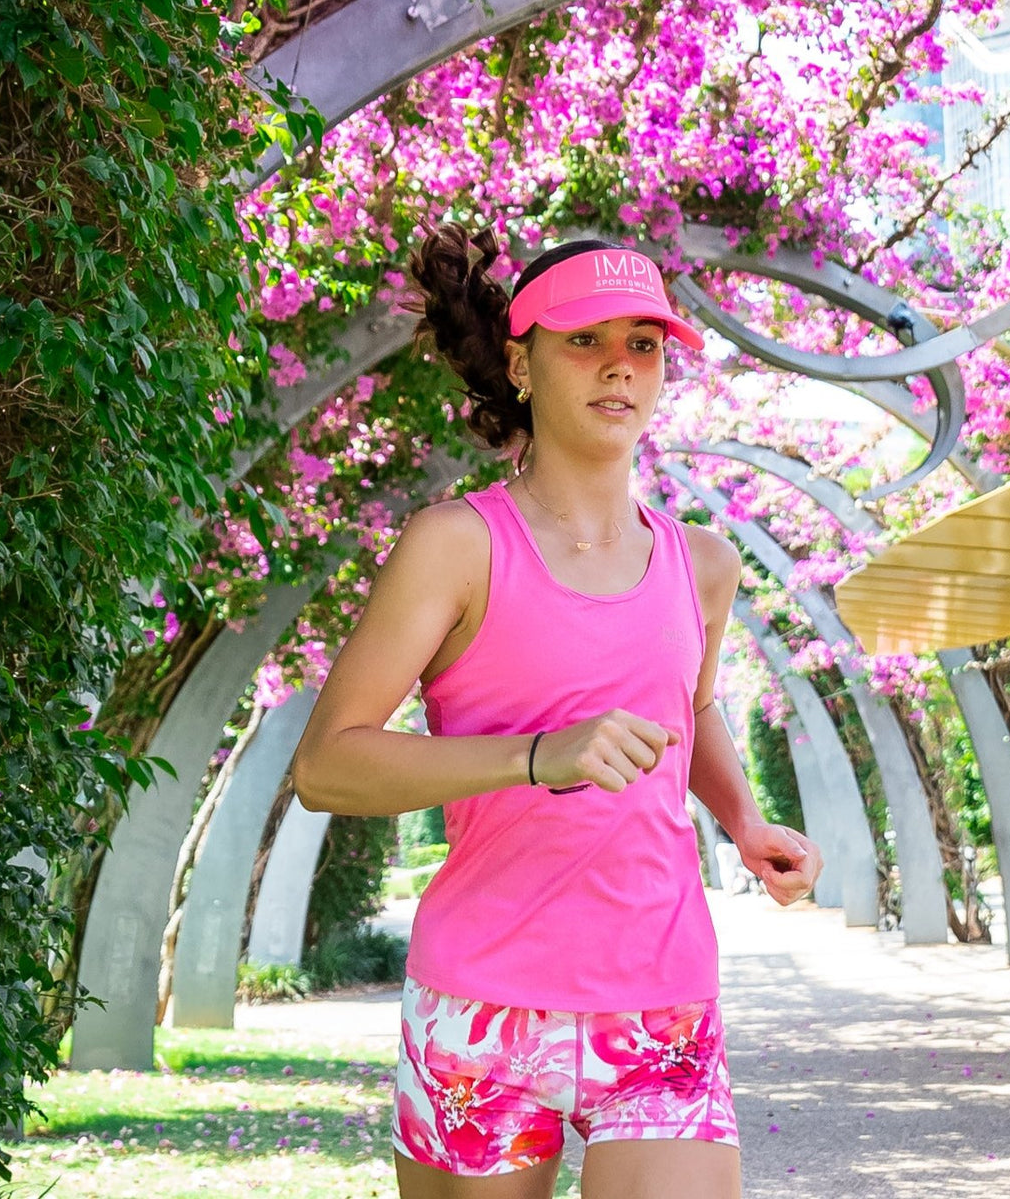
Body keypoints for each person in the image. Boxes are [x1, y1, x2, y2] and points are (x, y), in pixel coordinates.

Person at [292, 224, 823, 1199]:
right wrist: (537, 756)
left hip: (661, 995)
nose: (619, 366)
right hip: (482, 1002)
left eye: (643, 344)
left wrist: (743, 820)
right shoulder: (454, 546)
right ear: (519, 362)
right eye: (584, 338)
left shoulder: (702, 564)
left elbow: (691, 708)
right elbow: (328, 765)